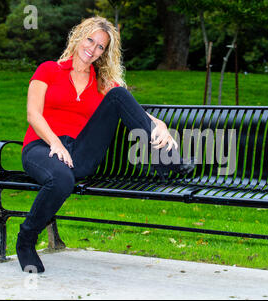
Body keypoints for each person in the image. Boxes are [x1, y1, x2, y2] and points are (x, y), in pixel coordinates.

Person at [17, 16, 195, 273]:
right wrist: (55, 142)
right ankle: (26, 241)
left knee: (119, 94)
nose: (93, 48)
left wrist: (161, 125)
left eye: (100, 46)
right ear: (78, 36)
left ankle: (167, 162)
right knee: (62, 179)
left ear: (104, 52)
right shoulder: (48, 70)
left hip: (80, 151)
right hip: (42, 147)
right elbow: (33, 114)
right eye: (90, 40)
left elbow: (134, 110)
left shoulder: (101, 82)